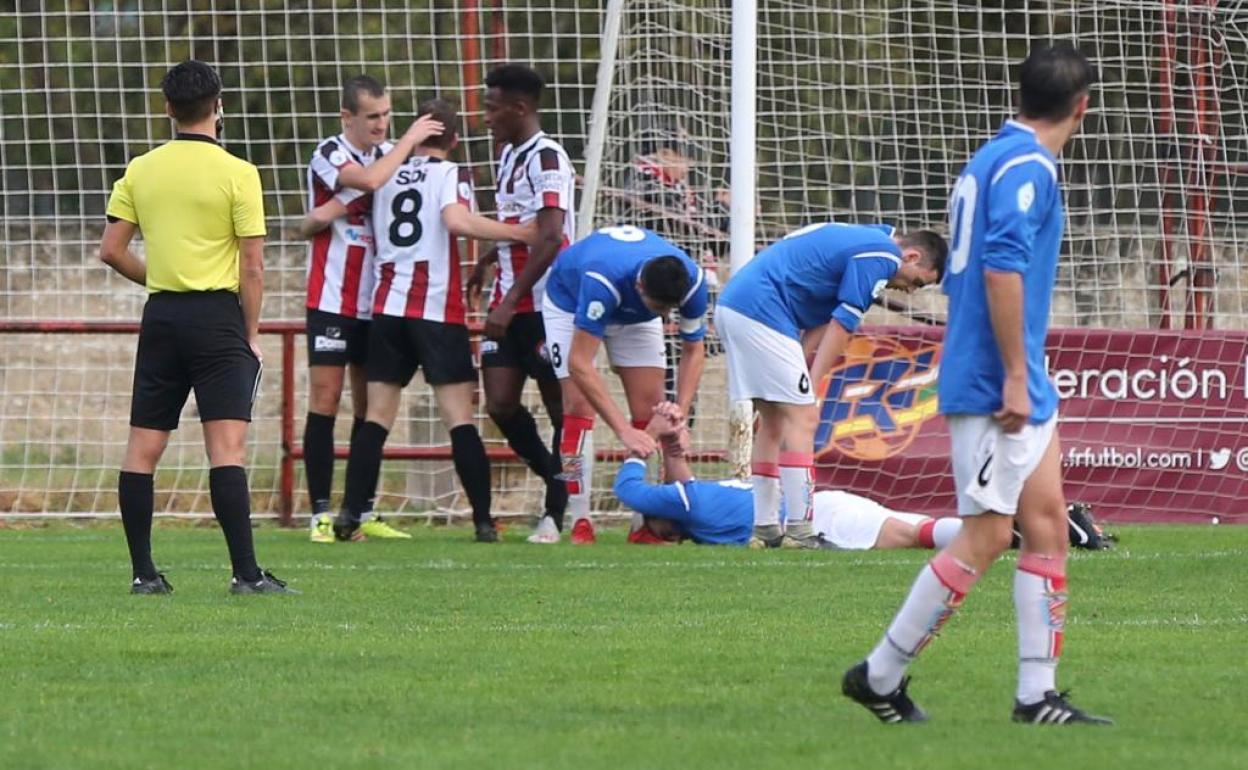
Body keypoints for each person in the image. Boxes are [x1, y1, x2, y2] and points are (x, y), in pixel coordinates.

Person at [840, 44, 1111, 726]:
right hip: (998, 377)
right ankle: (878, 675)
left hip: (1014, 371)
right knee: (987, 536)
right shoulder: (1026, 167)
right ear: (1083, 107)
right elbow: (999, 269)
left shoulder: (990, 157)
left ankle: (1035, 697)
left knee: (1047, 523)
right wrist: (1015, 374)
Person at [301, 99, 535, 543]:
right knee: (459, 418)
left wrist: (310, 221)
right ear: (455, 140)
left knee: (376, 419)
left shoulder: (386, 178)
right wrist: (520, 232)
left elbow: (340, 208)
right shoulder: (451, 174)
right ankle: (484, 521)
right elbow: (455, 220)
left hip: (386, 309)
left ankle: (350, 511)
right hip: (434, 310)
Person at [98, 60, 291, 594]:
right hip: (217, 318)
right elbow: (252, 267)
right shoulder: (239, 173)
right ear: (219, 105)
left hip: (162, 316)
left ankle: (143, 574)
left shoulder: (141, 168)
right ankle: (246, 575)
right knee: (225, 448)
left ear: (168, 109)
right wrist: (249, 334)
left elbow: (111, 251)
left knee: (143, 447)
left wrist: (160, 276)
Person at [716, 223, 947, 548]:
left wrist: (804, 377)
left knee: (774, 422)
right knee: (804, 418)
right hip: (760, 311)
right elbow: (841, 326)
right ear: (911, 255)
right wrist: (811, 385)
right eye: (917, 281)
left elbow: (822, 321)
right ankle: (800, 530)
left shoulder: (865, 239)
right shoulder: (882, 255)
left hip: (739, 306)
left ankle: (765, 529)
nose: (909, 290)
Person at [615, 407, 1111, 552]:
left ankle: (1033, 529)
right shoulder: (700, 500)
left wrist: (644, 440)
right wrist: (671, 445)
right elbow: (675, 490)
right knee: (913, 530)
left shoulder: (692, 506)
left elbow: (629, 490)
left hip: (819, 517)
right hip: (823, 506)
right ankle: (1043, 525)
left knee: (912, 536)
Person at [302, 75, 444, 543]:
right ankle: (319, 513)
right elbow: (367, 180)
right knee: (325, 400)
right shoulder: (330, 151)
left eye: (387, 115)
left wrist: (328, 212)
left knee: (372, 408)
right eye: (372, 117)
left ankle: (361, 510)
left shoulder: (393, 156)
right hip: (331, 296)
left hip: (379, 301)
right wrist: (331, 210)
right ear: (348, 118)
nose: (382, 124)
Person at [542, 226, 708, 544]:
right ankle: (580, 520)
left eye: (669, 310)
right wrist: (622, 430)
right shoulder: (602, 281)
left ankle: (643, 523)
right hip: (569, 301)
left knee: (653, 411)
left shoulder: (693, 282)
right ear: (639, 285)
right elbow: (580, 363)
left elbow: (694, 349)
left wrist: (680, 414)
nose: (664, 316)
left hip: (632, 315)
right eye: (659, 309)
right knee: (577, 408)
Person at [466, 64, 575, 545]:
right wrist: (489, 259)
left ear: (520, 108)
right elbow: (523, 224)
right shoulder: (509, 153)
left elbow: (551, 238)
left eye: (492, 108)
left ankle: (557, 513)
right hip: (510, 297)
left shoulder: (547, 158)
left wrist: (508, 302)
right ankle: (558, 478)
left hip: (546, 305)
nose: (485, 116)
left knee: (559, 408)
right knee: (500, 403)